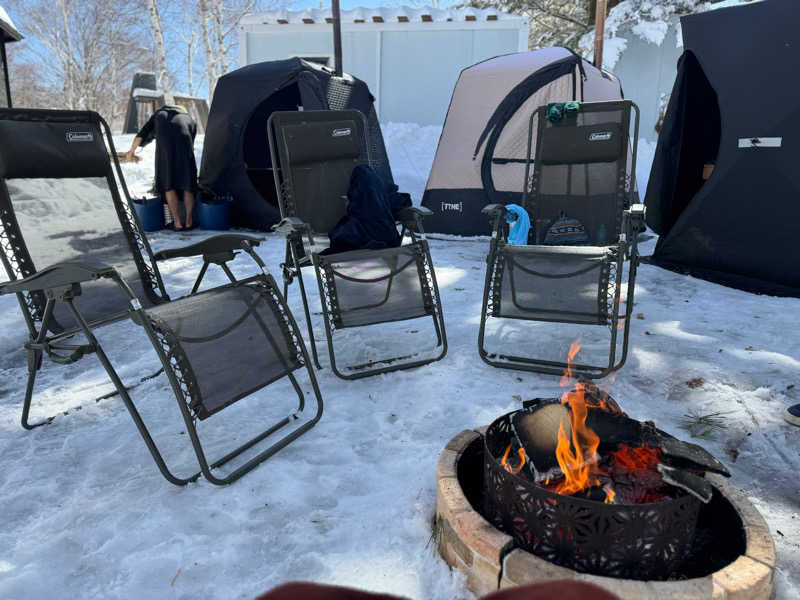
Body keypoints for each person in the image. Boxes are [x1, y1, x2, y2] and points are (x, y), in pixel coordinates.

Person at [125, 98, 197, 230]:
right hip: (185, 156)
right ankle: (189, 220)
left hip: (166, 157)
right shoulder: (189, 119)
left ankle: (176, 222)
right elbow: (191, 143)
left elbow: (141, 135)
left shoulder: (159, 115)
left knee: (168, 186)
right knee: (188, 186)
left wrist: (131, 151)